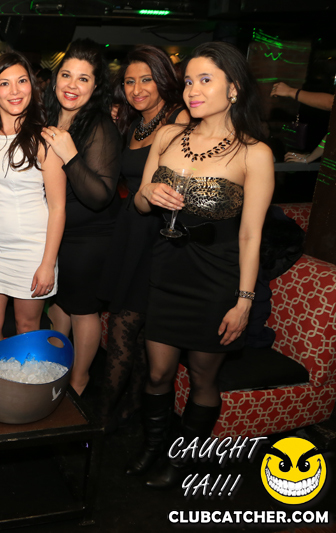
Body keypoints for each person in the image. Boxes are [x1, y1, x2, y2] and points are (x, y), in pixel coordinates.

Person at [131, 41, 274, 488]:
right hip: (165, 270)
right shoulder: (168, 136)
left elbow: (251, 235)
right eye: (188, 81)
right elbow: (139, 203)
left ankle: (181, 459)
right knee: (157, 372)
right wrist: (148, 193)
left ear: (234, 88)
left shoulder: (254, 153)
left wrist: (244, 301)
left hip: (216, 280)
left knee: (202, 377)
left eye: (205, 80)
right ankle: (154, 445)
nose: (192, 90)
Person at [96, 45, 190, 432]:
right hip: (132, 228)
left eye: (146, 80)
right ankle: (131, 404)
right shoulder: (135, 124)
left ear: (163, 79)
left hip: (160, 235)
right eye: (130, 81)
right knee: (135, 332)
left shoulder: (180, 118)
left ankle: (100, 417)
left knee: (124, 324)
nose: (137, 89)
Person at [41, 39, 122, 395]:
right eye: (66, 75)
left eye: (83, 79)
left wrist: (70, 154)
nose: (72, 85)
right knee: (58, 305)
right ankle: (57, 371)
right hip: (56, 231)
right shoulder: (47, 117)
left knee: (83, 310)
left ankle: (79, 379)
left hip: (91, 237)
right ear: (55, 78)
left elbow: (101, 196)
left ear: (95, 86)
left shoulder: (99, 125)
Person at [0, 52, 66, 344]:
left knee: (26, 327)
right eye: (4, 83)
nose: (14, 91)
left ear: (32, 87)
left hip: (32, 253)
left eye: (22, 81)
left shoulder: (45, 140)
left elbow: (58, 208)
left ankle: (26, 377)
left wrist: (48, 263)